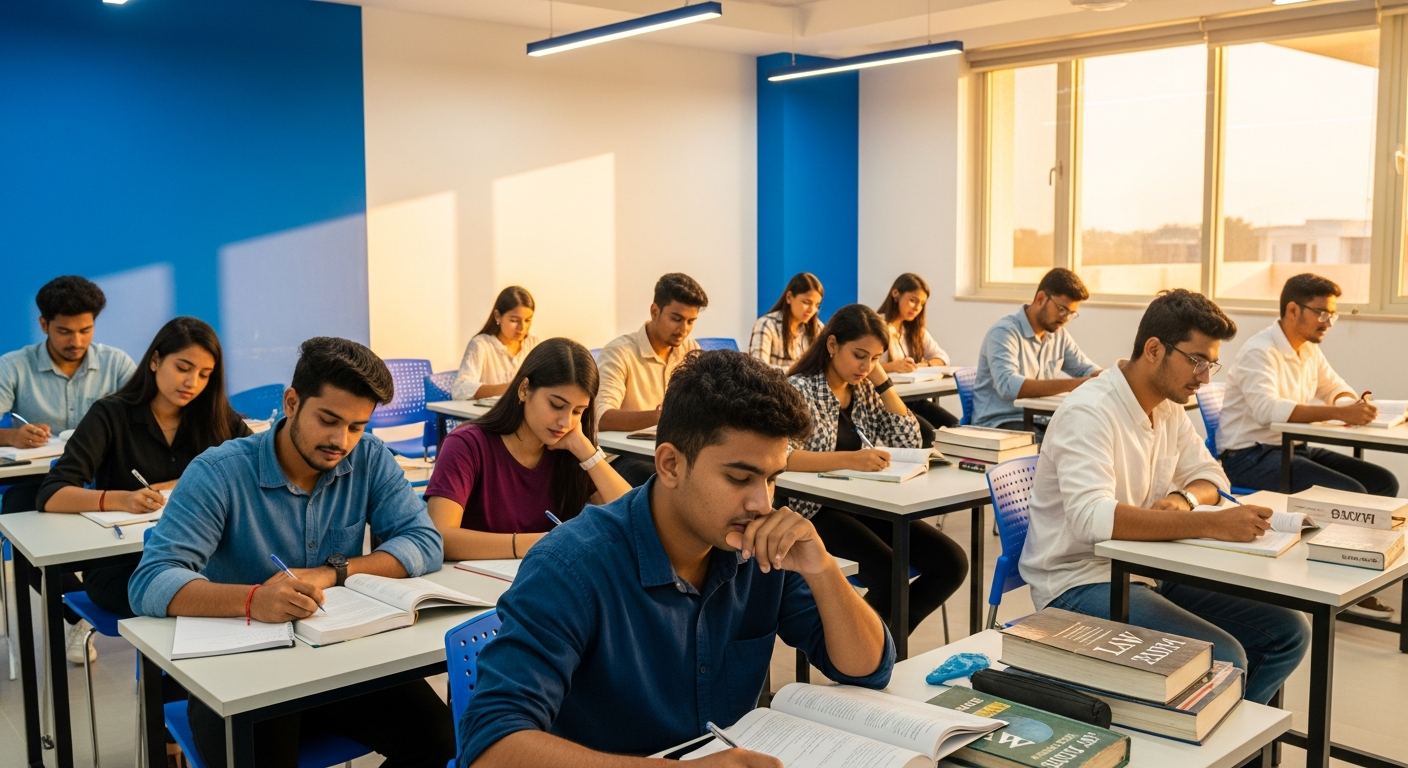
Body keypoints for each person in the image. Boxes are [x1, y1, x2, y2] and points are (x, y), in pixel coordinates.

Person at [457, 350, 894, 767]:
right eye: (740, 478)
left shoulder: (757, 549)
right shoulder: (572, 565)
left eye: (772, 479)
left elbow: (867, 669)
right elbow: (491, 748)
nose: (762, 503)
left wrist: (824, 570)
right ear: (669, 465)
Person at [128, 337, 454, 768]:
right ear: (292, 402)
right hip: (244, 676)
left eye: (357, 426)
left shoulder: (370, 458)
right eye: (329, 419)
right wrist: (252, 600)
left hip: (340, 664)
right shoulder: (219, 472)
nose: (341, 440)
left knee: (443, 740)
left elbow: (425, 541)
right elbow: (151, 580)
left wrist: (332, 572)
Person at [1019, 289, 1309, 706]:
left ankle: (1224, 739)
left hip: (1145, 567)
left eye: (1211, 364)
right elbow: (1091, 520)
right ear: (1154, 349)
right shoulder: (1091, 412)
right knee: (1224, 658)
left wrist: (1185, 500)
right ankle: (1211, 738)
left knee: (1288, 632)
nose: (1205, 377)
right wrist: (1209, 521)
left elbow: (1212, 475)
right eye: (1196, 361)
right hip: (1080, 583)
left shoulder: (1168, 404)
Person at [39, 317, 251, 665]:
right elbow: (52, 493)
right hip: (123, 565)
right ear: (155, 361)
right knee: (204, 603)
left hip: (197, 557)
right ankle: (172, 692)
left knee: (230, 595)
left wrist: (182, 483)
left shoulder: (215, 415)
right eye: (183, 367)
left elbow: (254, 465)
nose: (191, 382)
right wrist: (121, 498)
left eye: (204, 374)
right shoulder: (111, 413)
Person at [1218, 273, 1399, 620]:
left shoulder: (1309, 351)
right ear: (1292, 309)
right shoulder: (1261, 351)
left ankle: (1361, 578)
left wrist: (1351, 406)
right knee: (1349, 493)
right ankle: (1337, 587)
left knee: (1382, 483)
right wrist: (1338, 411)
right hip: (1248, 457)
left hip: (1291, 449)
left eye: (1332, 314)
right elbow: (1267, 410)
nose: (1328, 322)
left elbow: (1336, 388)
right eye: (1321, 313)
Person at [784, 304, 968, 636]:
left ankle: (878, 646)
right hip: (811, 508)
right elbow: (782, 456)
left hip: (861, 501)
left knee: (950, 563)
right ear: (831, 344)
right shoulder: (800, 389)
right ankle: (860, 650)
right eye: (859, 355)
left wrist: (883, 383)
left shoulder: (865, 388)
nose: (866, 366)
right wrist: (850, 459)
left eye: (874, 358)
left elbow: (909, 440)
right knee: (889, 573)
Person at [426, 338, 631, 561]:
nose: (565, 422)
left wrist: (585, 450)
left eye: (577, 411)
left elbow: (633, 519)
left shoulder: (569, 453)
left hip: (546, 582)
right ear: (524, 389)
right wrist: (533, 543)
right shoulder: (467, 444)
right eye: (557, 405)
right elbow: (440, 536)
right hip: (474, 585)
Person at [0, 275, 136, 513]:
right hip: (37, 482)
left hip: (107, 478)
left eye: (86, 330)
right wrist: (13, 437)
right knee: (20, 514)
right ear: (44, 325)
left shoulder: (117, 364)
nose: (76, 341)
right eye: (64, 331)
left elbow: (148, 419)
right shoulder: (13, 366)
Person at [596, 272, 707, 486]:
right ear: (655, 311)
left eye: (690, 321)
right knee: (670, 484)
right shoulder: (619, 353)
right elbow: (602, 418)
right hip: (621, 457)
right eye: (676, 319)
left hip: (672, 452)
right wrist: (663, 416)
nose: (683, 329)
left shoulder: (690, 349)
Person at [972, 267, 1101, 437]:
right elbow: (1008, 386)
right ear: (1041, 299)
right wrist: (1077, 384)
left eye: (1071, 313)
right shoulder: (1004, 332)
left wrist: (1112, 377)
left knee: (1090, 434)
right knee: (1060, 445)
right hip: (998, 424)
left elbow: (1086, 369)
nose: (1065, 318)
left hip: (1036, 419)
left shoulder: (1058, 334)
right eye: (1062, 309)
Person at [876, 273, 959, 430]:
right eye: (913, 301)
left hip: (915, 399)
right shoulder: (877, 325)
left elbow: (943, 358)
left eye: (921, 304)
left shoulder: (915, 330)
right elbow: (867, 366)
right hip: (889, 401)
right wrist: (894, 366)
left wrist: (923, 365)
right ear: (895, 294)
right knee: (929, 434)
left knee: (956, 427)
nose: (917, 308)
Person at [452, 286, 539, 401]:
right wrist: (509, 388)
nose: (522, 328)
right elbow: (460, 390)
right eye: (514, 320)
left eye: (527, 320)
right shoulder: (481, 344)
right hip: (488, 415)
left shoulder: (532, 343)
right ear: (498, 316)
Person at [749, 272, 823, 371]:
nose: (812, 310)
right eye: (806, 302)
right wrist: (800, 372)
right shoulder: (767, 324)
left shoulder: (818, 328)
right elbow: (758, 370)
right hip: (773, 386)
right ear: (789, 297)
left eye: (817, 305)